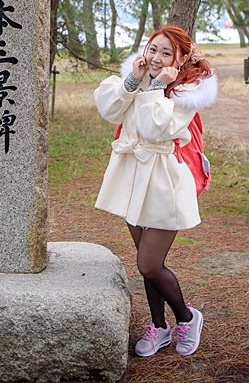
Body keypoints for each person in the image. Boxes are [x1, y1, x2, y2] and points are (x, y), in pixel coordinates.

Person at [93, 25, 217, 357]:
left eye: (166, 53)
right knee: (145, 260)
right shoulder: (140, 78)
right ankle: (160, 327)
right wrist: (133, 82)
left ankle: (187, 318)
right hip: (134, 179)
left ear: (181, 60)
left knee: (149, 264)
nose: (157, 58)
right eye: (153, 49)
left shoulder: (186, 93)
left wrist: (157, 87)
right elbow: (110, 111)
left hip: (164, 181)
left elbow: (154, 127)